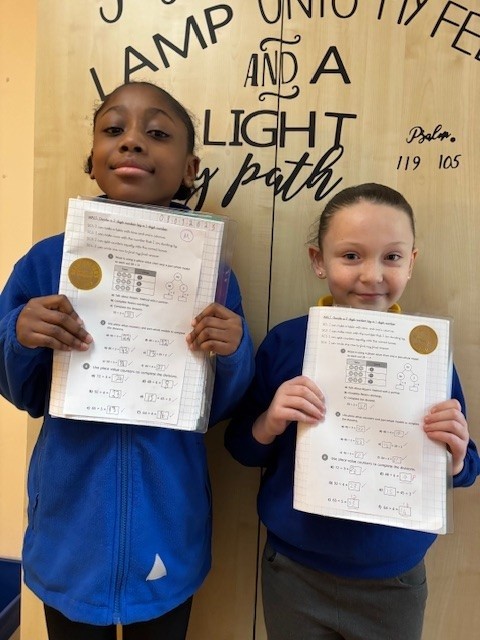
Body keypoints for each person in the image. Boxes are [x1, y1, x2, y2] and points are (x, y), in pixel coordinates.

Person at [0, 81, 254, 640]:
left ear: (189, 169)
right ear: (91, 160)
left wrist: (234, 352)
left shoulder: (212, 272)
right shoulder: (46, 261)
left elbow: (221, 407)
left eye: (157, 133)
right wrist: (19, 335)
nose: (132, 141)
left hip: (167, 529)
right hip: (70, 530)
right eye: (113, 129)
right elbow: (21, 391)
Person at [225, 183, 480, 640]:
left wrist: (456, 457)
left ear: (411, 263)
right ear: (318, 260)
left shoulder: (428, 356)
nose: (371, 275)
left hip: (394, 579)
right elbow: (241, 447)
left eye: (392, 257)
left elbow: (467, 469)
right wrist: (270, 421)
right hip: (294, 571)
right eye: (351, 256)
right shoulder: (287, 343)